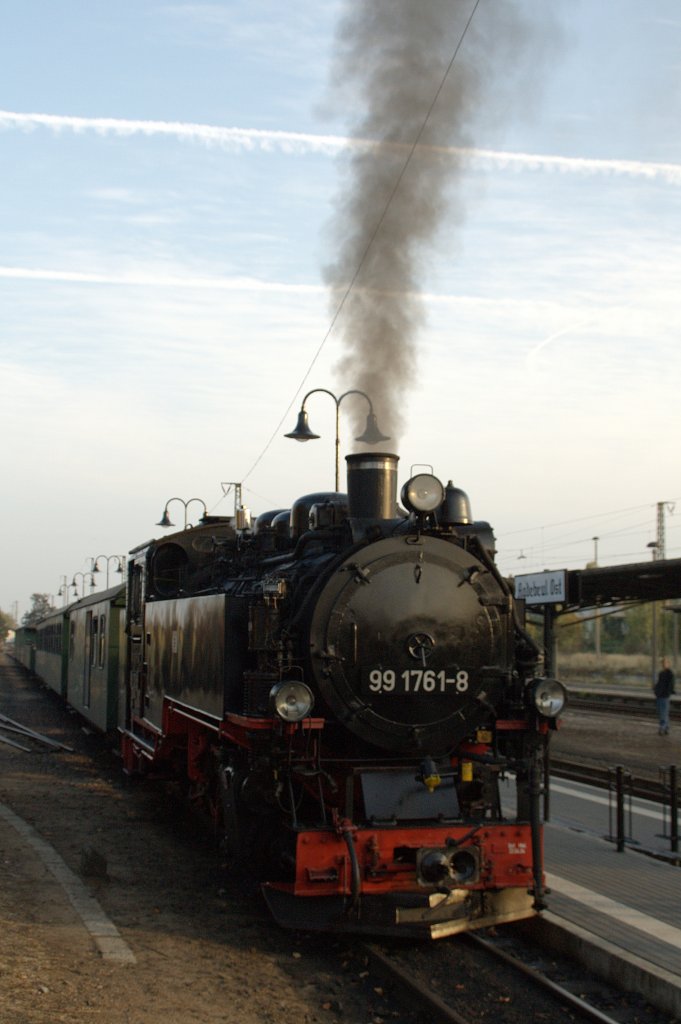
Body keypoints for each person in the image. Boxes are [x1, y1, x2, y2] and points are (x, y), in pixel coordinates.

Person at [654, 656, 675, 735]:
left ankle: (662, 727)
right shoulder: (661, 673)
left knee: (663, 712)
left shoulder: (670, 674)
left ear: (668, 664)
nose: (663, 664)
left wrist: (667, 693)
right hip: (660, 695)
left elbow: (670, 685)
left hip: (664, 695)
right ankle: (666, 727)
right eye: (663, 663)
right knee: (662, 712)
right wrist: (656, 690)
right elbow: (659, 683)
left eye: (665, 663)